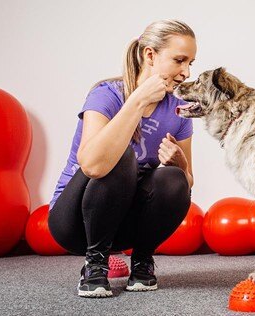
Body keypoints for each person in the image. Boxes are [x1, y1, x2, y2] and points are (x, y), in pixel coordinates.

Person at [48, 20, 197, 298]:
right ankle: (95, 264)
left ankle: (142, 261)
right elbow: (92, 164)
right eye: (179, 60)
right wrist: (138, 101)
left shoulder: (179, 109)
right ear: (150, 55)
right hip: (75, 222)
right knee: (119, 156)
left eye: (190, 63)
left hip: (125, 225)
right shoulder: (106, 94)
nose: (186, 72)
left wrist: (181, 165)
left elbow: (187, 184)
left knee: (174, 178)